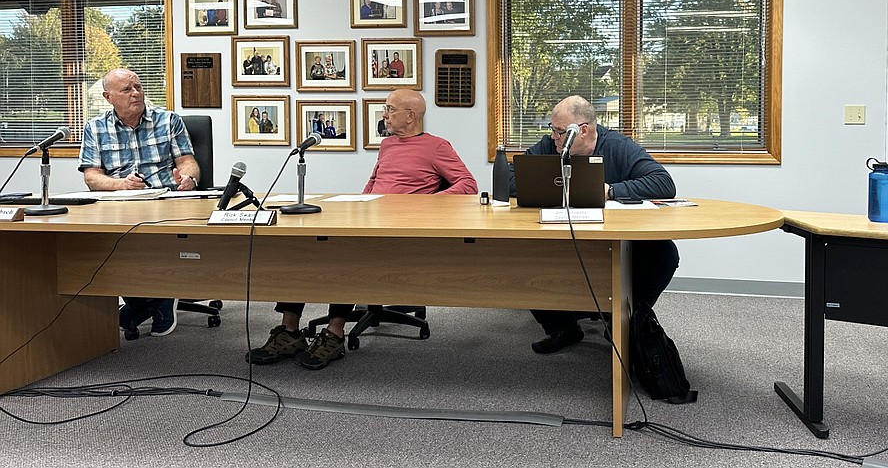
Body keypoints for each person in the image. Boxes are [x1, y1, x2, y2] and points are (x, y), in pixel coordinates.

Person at [247, 89, 478, 370]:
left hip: (399, 232)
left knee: (345, 257)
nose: (384, 115)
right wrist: (358, 206)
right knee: (303, 249)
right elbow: (373, 182)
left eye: (390, 109)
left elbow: (468, 185)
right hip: (369, 219)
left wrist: (423, 204)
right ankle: (289, 331)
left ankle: (334, 333)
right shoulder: (388, 145)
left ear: (411, 116)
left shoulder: (437, 146)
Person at [509, 95, 679, 353]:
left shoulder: (618, 147)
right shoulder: (550, 146)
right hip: (558, 235)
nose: (553, 137)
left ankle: (622, 319)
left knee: (664, 254)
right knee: (519, 252)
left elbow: (663, 184)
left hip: (614, 238)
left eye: (559, 131)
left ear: (583, 130)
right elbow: (511, 181)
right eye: (552, 130)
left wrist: (610, 190)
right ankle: (561, 327)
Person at [79, 68, 201, 339]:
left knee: (156, 242)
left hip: (165, 200)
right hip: (119, 206)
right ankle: (145, 301)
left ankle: (161, 295)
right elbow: (92, 177)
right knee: (106, 250)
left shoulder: (168, 120)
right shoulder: (95, 128)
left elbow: (187, 162)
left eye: (138, 87)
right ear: (108, 97)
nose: (135, 93)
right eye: (126, 89)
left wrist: (189, 179)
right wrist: (121, 184)